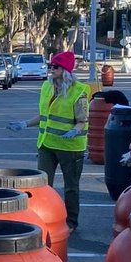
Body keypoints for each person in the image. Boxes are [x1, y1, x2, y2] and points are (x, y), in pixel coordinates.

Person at [6, 50, 89, 230]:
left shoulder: (78, 92)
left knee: (71, 187)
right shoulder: (47, 87)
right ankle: (43, 218)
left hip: (71, 148)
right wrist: (25, 124)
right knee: (43, 185)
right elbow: (44, 116)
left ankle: (71, 222)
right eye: (51, 66)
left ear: (65, 70)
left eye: (56, 67)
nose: (52, 69)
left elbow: (82, 121)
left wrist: (74, 131)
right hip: (46, 144)